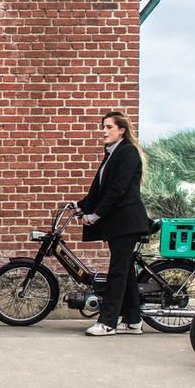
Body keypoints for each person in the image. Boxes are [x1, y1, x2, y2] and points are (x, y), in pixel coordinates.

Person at [76, 110, 152, 336]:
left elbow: (117, 190)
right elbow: (99, 190)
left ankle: (108, 322)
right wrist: (79, 206)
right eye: (103, 127)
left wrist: (95, 215)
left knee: (117, 272)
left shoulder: (127, 152)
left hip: (127, 222)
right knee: (125, 271)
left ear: (122, 130)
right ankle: (134, 320)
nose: (104, 131)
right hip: (118, 223)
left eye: (109, 127)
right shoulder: (111, 154)